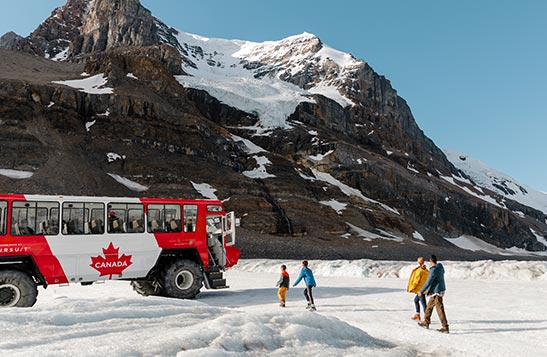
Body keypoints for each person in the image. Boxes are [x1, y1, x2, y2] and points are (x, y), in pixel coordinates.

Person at [418, 254, 449, 333]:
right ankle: (426, 322)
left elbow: (428, 282)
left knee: (440, 309)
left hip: (436, 291)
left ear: (430, 261)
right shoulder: (440, 267)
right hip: (439, 289)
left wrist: (421, 291)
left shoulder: (433, 270)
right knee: (429, 307)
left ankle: (445, 327)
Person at [407, 256, 429, 321]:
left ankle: (427, 319)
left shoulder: (419, 270)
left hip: (420, 290)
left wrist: (411, 288)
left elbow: (416, 281)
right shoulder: (426, 270)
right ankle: (418, 315)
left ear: (419, 262)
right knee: (416, 300)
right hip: (423, 289)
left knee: (424, 304)